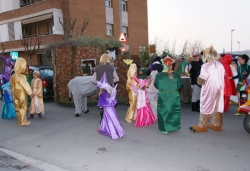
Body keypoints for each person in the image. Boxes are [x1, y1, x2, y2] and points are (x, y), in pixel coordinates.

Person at [189, 46, 225, 132]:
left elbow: (201, 80)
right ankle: (217, 124)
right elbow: (224, 75)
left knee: (206, 105)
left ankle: (202, 125)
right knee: (218, 105)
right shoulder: (220, 64)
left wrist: (198, 80)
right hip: (219, 88)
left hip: (209, 89)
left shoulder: (205, 66)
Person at [154, 57, 183, 134]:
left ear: (163, 64)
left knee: (163, 111)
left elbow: (156, 85)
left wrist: (163, 89)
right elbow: (180, 85)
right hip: (174, 95)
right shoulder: (176, 75)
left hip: (163, 95)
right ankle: (173, 126)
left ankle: (164, 128)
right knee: (173, 111)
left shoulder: (159, 75)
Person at [97, 73, 125, 139]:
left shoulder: (102, 94)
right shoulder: (109, 94)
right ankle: (117, 130)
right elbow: (113, 100)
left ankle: (112, 132)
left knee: (109, 120)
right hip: (111, 108)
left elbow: (101, 102)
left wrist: (100, 105)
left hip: (107, 109)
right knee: (113, 119)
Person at [92, 54, 119, 122]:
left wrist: (100, 83)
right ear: (108, 59)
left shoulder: (96, 68)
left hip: (101, 90)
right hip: (109, 90)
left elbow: (93, 80)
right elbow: (117, 79)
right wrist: (109, 80)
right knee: (109, 105)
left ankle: (102, 120)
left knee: (102, 105)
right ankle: (110, 120)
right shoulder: (112, 67)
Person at [10, 57, 33, 126]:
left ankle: (20, 120)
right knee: (23, 107)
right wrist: (30, 93)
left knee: (17, 107)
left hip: (15, 93)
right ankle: (22, 122)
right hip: (21, 93)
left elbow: (11, 84)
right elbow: (25, 85)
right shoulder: (22, 76)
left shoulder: (13, 76)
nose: (25, 68)